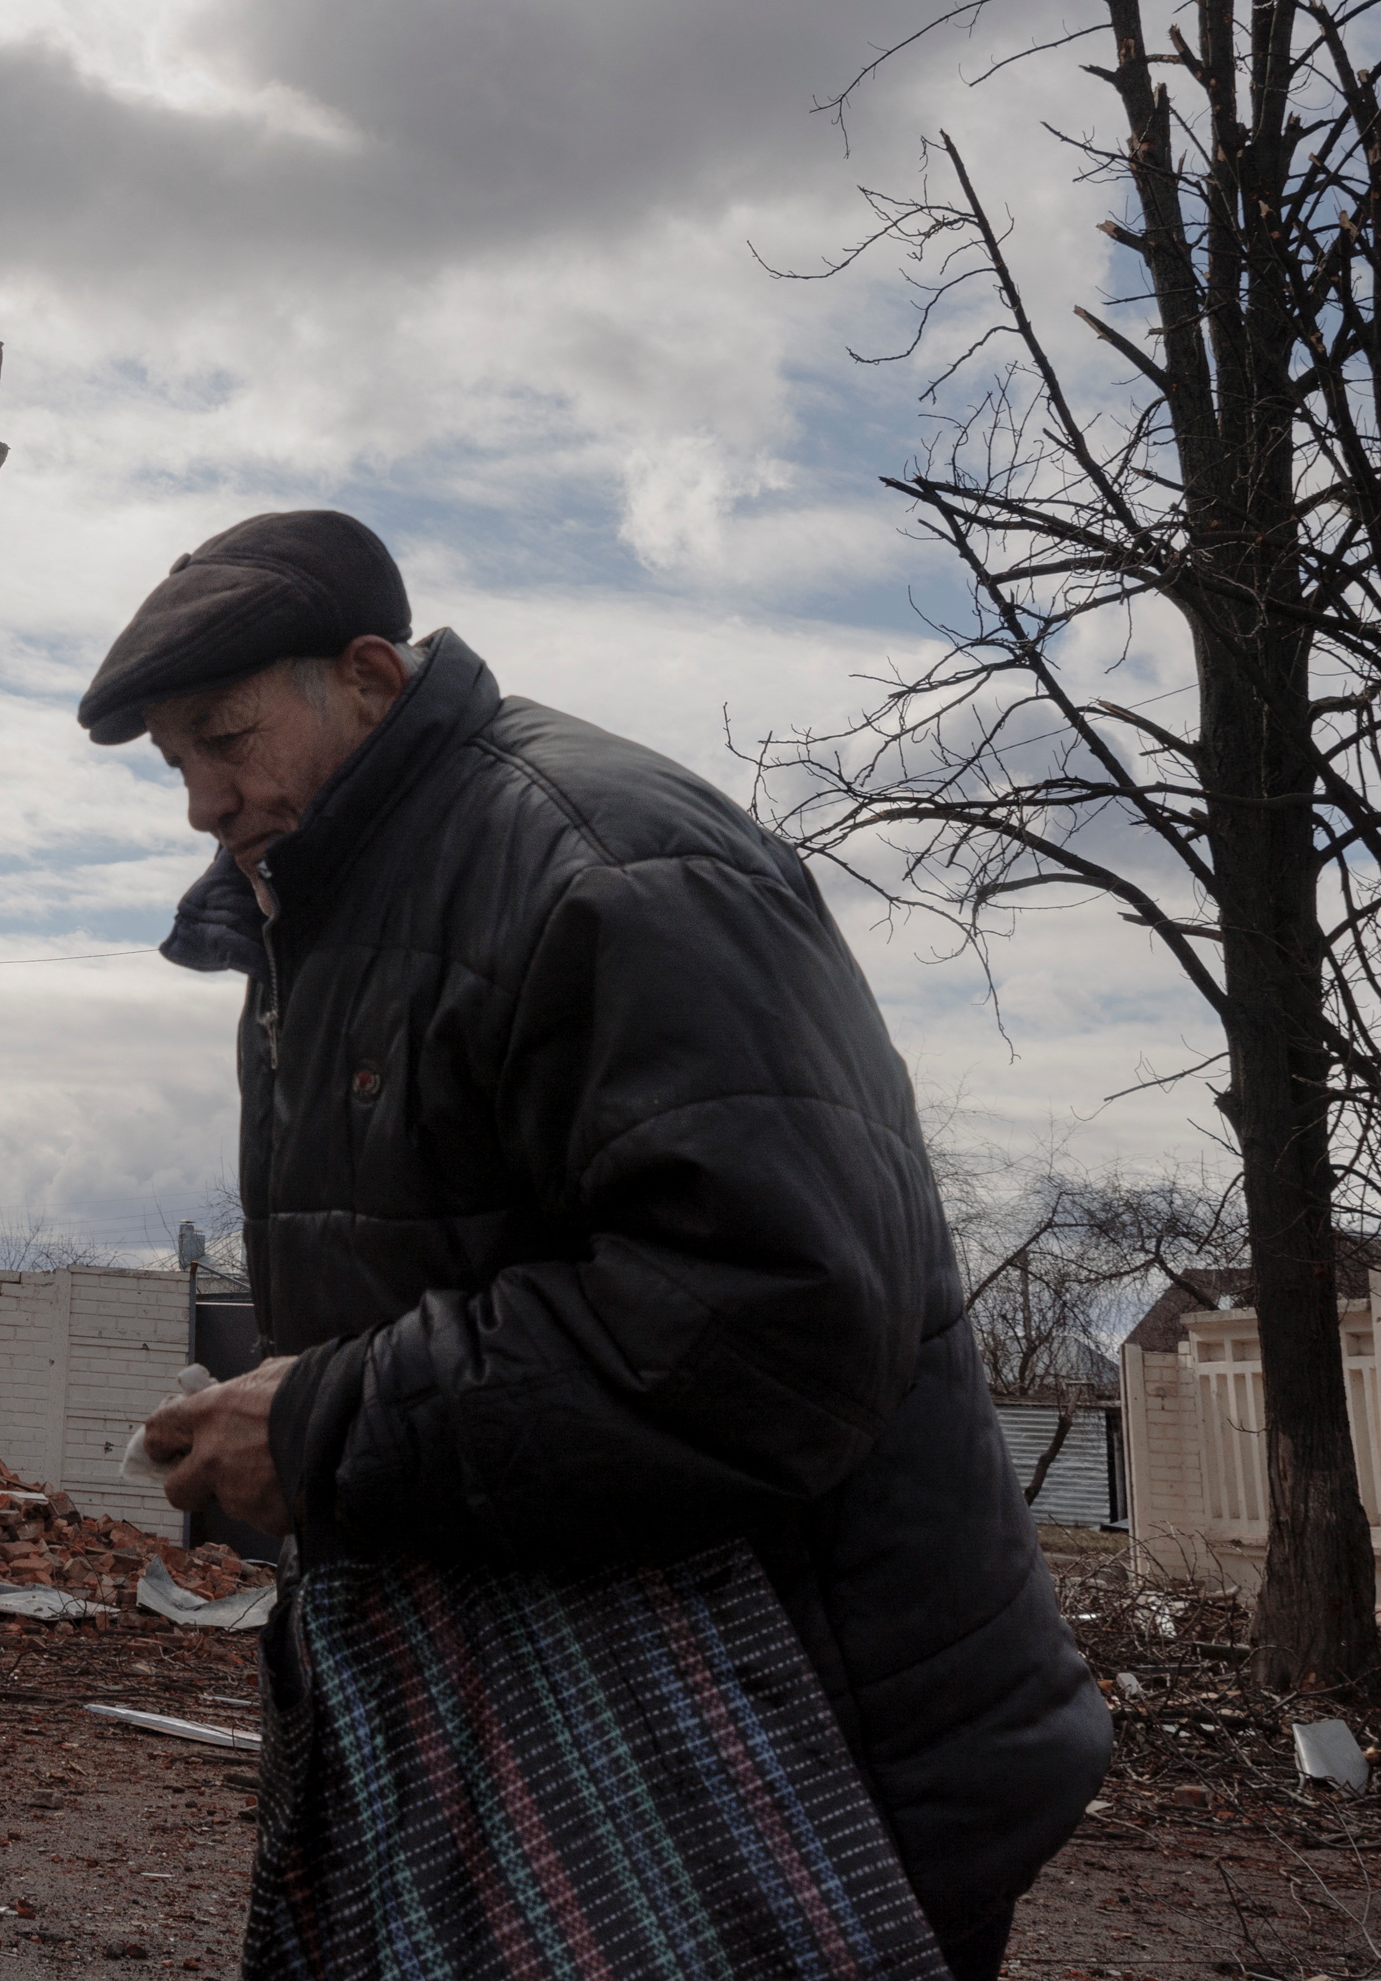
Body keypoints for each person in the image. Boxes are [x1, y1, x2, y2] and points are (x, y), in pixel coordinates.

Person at [102, 511, 1104, 1981]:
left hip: (798, 1759)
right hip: (626, 1740)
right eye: (173, 763)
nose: (201, 798)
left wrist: (323, 1423)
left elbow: (774, 1316)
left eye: (224, 737)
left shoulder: (606, 861)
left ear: (369, 676)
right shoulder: (341, 904)